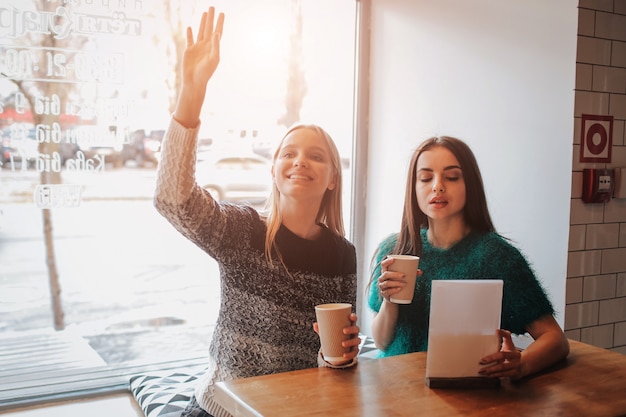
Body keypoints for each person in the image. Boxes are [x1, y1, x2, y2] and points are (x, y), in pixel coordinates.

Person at [154, 7, 360, 417]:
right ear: (275, 169)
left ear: (333, 178)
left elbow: (333, 361)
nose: (300, 161)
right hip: (222, 408)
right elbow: (172, 200)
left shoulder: (343, 254)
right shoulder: (242, 230)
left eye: (315, 156)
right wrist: (191, 93)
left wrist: (341, 357)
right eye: (289, 153)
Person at [368, 135, 569, 380]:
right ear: (414, 187)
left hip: (466, 393)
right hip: (393, 389)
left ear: (470, 185)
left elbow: (555, 339)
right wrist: (389, 302)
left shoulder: (497, 256)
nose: (437, 186)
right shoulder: (395, 248)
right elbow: (381, 342)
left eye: (451, 177)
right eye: (425, 177)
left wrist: (522, 364)